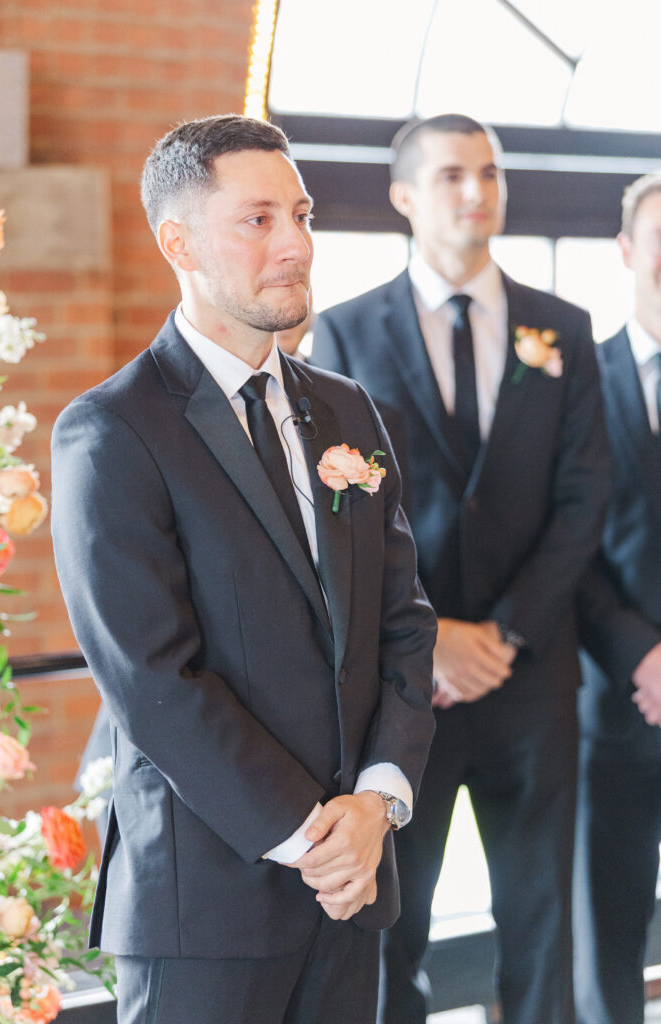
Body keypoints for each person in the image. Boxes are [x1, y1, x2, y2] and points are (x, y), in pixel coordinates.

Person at [50, 114, 437, 1024]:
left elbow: (403, 621)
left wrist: (376, 802)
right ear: (177, 243)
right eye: (257, 220)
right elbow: (153, 679)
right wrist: (315, 839)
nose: (295, 244)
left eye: (300, 215)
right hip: (205, 907)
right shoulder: (112, 430)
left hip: (351, 891)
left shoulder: (348, 412)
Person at [312, 113, 610, 1024]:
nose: (476, 191)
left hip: (532, 678)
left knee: (542, 921)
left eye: (489, 172)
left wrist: (505, 632)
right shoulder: (346, 332)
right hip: (408, 691)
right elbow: (341, 516)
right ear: (404, 196)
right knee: (394, 925)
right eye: (450, 175)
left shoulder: (563, 329)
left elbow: (583, 499)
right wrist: (431, 638)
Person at [573, 172, 661, 1024]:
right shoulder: (577, 382)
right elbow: (565, 542)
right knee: (605, 939)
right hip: (610, 707)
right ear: (627, 250)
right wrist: (642, 656)